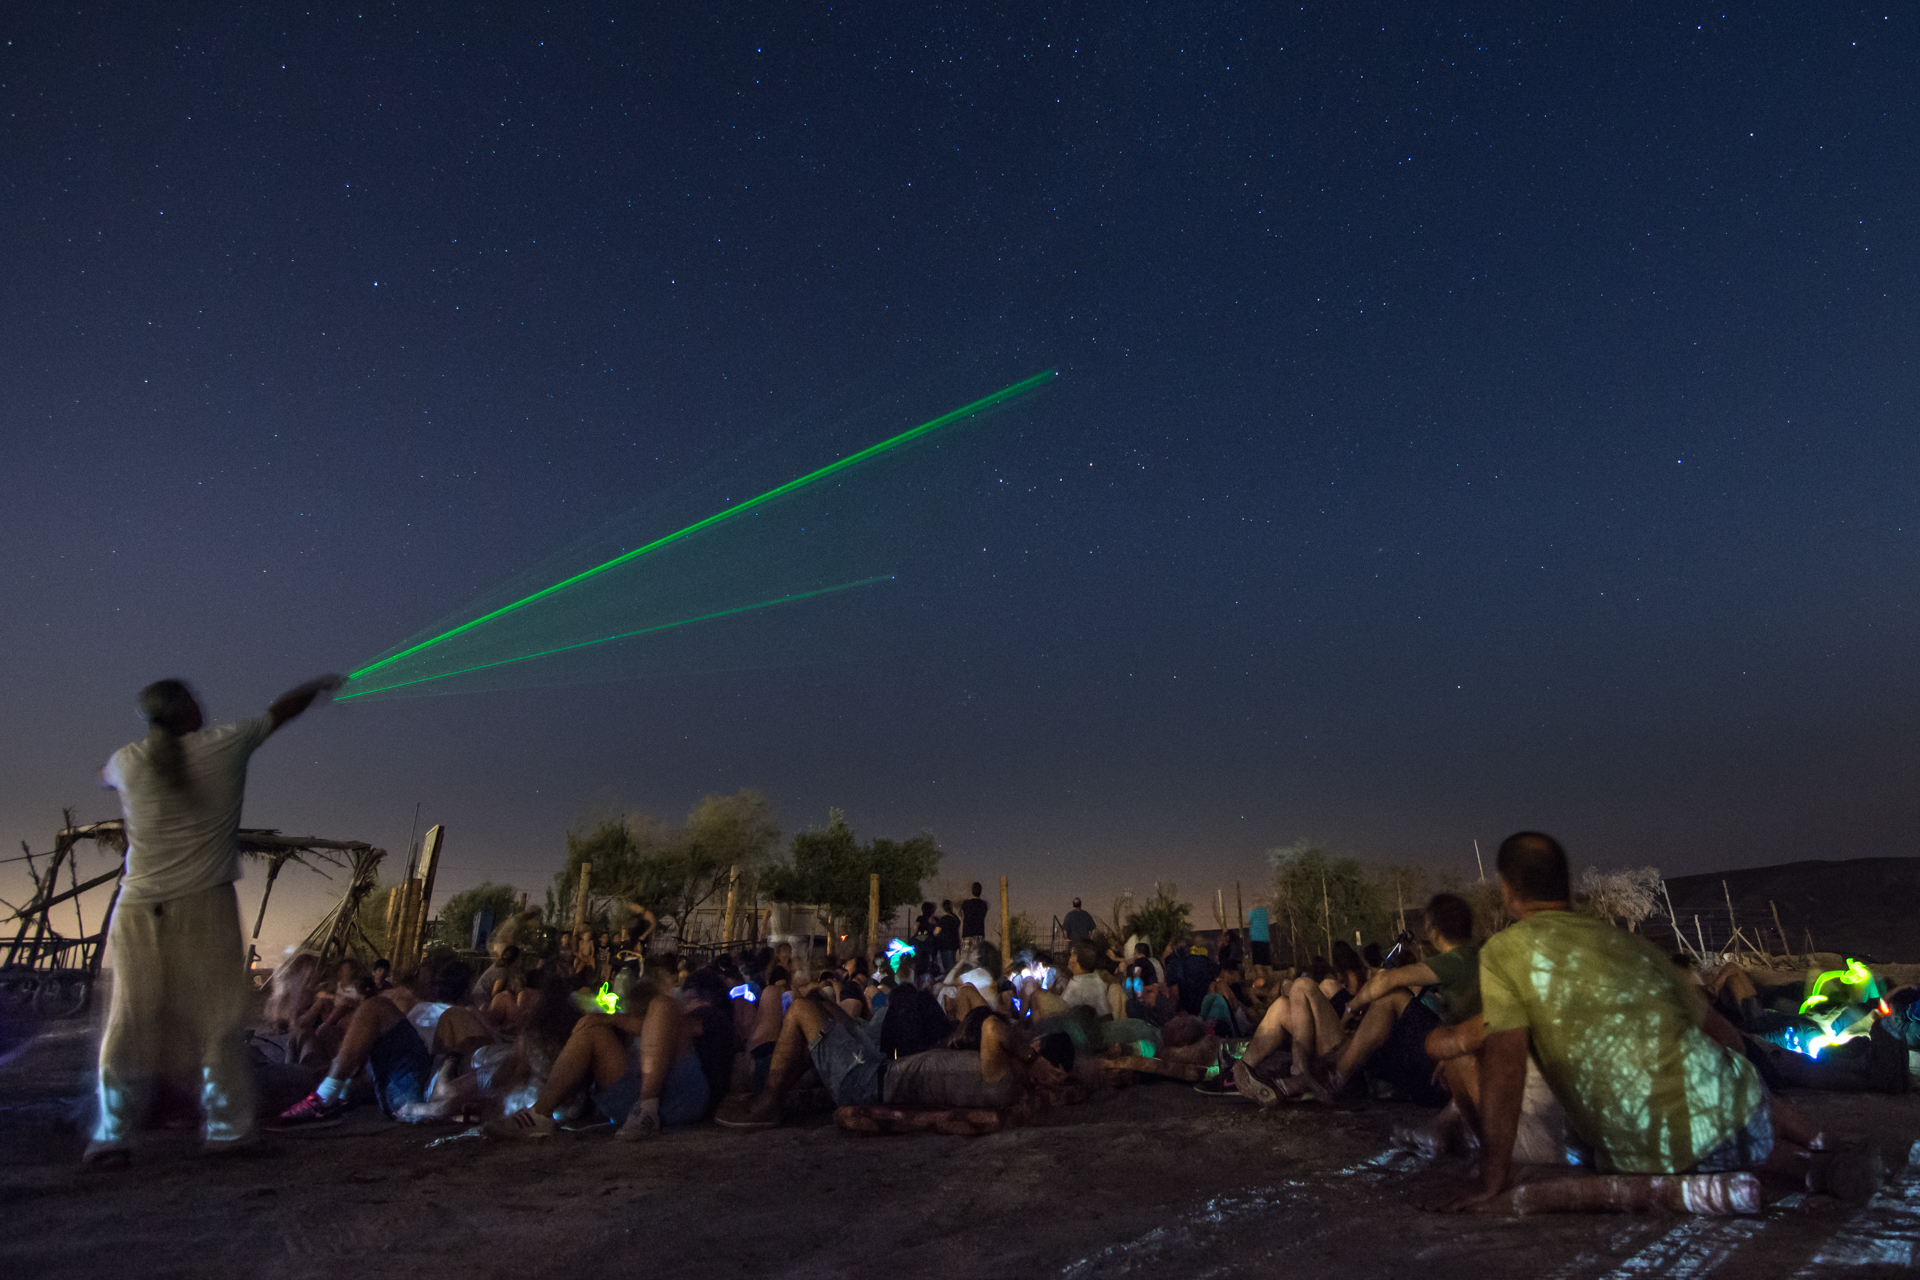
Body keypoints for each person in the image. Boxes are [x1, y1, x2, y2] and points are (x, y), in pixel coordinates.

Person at [1427, 832, 1882, 1211]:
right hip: (1733, 1106)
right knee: (1732, 1121)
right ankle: (1820, 1162)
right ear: (1567, 887)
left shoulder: (1508, 951)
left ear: (1508, 892)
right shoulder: (1632, 947)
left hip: (1649, 1144)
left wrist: (1492, 1176)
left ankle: (1805, 1166)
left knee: (1679, 1141)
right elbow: (1727, 1038)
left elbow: (1506, 1064)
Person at [88, 672, 343, 1163]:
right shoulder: (223, 745)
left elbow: (104, 774)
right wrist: (316, 686)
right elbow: (280, 711)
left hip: (137, 907)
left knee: (127, 1022)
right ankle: (227, 1130)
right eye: (194, 699)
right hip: (203, 904)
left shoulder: (127, 760)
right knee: (219, 1020)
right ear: (185, 710)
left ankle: (111, 1135)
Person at [271, 959, 495, 1128]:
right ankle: (321, 1092)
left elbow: (472, 1063)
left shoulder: (459, 1015)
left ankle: (325, 1097)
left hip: (416, 1086)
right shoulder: (436, 1010)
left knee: (375, 1008)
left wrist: (447, 1067)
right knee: (303, 1053)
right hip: (404, 1078)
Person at [485, 973, 708, 1140]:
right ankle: (540, 1114)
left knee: (662, 1006)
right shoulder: (627, 1022)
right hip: (629, 1105)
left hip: (681, 1096)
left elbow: (677, 1025)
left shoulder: (691, 1012)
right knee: (592, 1030)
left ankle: (647, 1109)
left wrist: (614, 1019)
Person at [934, 899, 962, 974]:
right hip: (954, 945)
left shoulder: (944, 919)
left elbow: (936, 932)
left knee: (948, 968)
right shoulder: (956, 918)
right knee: (952, 965)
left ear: (944, 909)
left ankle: (950, 983)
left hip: (945, 946)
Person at [1246, 897, 1272, 970]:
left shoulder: (1253, 912)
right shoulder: (1265, 912)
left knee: (1257, 963)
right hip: (1266, 940)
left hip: (1256, 940)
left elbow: (1247, 922)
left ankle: (1260, 979)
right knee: (1267, 963)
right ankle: (1271, 979)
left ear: (1255, 903)